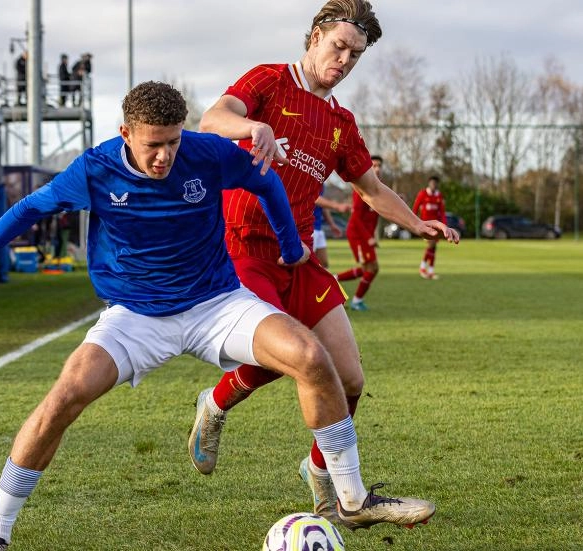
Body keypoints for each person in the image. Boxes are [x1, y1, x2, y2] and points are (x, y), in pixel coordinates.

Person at [0, 82, 426, 550]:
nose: (164, 156)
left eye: (172, 143)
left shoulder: (206, 152)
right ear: (125, 134)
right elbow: (26, 210)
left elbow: (265, 182)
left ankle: (353, 500)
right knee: (64, 396)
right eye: (152, 144)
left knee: (312, 358)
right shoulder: (94, 170)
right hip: (135, 315)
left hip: (216, 303)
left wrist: (291, 246)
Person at [188, 0, 458, 529]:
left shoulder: (340, 122)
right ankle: (214, 407)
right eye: (338, 46)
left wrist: (415, 222)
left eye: (355, 55)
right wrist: (250, 130)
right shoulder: (269, 80)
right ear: (314, 37)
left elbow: (372, 188)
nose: (345, 60)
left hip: (299, 258)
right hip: (243, 248)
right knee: (290, 355)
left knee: (350, 377)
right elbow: (213, 119)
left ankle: (320, 471)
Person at [335, 155, 385, 310]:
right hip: (357, 233)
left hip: (365, 235)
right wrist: (368, 237)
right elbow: (356, 218)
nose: (377, 169)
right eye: (374, 165)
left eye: (379, 166)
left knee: (368, 268)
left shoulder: (378, 189)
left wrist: (373, 236)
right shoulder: (361, 189)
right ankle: (356, 301)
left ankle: (334, 279)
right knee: (372, 268)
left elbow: (375, 216)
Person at [412, 175, 447, 280]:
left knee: (434, 248)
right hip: (425, 225)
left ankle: (430, 271)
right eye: (432, 183)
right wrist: (412, 221)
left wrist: (444, 225)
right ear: (429, 183)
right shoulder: (423, 194)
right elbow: (415, 207)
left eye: (435, 183)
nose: (433, 185)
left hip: (436, 226)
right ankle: (422, 268)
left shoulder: (439, 196)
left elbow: (442, 212)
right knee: (431, 245)